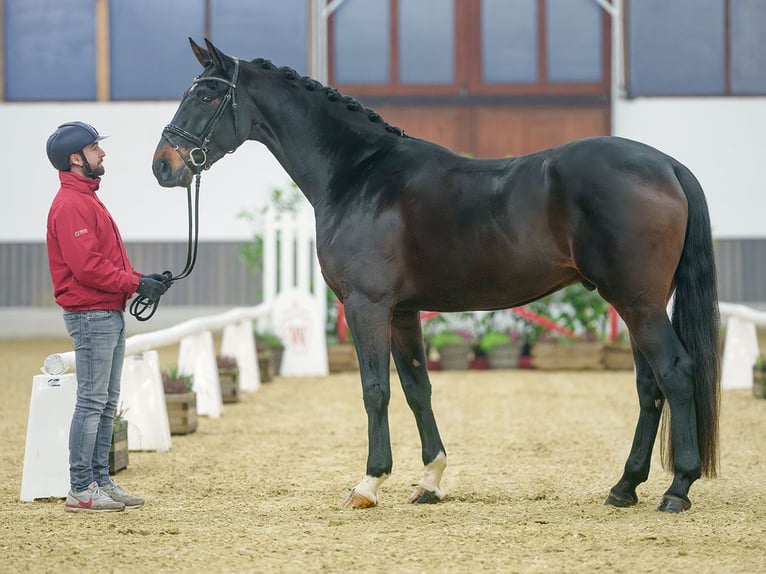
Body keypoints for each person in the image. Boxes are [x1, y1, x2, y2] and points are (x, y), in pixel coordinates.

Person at [45, 121, 170, 512]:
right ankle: (82, 487)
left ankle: (100, 479)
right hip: (90, 313)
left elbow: (101, 262)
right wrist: (136, 283)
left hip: (105, 311)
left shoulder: (86, 199)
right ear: (76, 158)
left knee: (105, 399)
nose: (102, 153)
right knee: (92, 401)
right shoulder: (71, 205)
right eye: (95, 147)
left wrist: (140, 280)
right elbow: (87, 268)